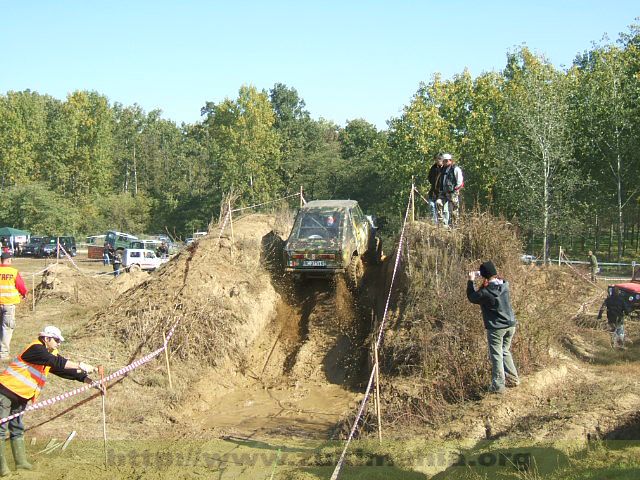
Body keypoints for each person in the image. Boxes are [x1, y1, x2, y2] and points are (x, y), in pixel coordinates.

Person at [0, 326, 97, 474]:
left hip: (22, 396)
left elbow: (62, 369)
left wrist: (86, 379)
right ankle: (2, 469)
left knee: (17, 429)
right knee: (1, 430)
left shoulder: (49, 353)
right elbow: (57, 362)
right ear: (47, 338)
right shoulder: (36, 349)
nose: (59, 343)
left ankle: (21, 463)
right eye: (57, 340)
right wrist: (80, 365)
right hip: (5, 392)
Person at [467, 261, 519, 394]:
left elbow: (472, 297)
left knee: (496, 355)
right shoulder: (504, 285)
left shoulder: (486, 292)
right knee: (505, 351)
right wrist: (483, 275)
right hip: (510, 325)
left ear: (484, 275)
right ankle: (513, 379)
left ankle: (498, 385)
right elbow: (493, 280)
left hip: (497, 328)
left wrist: (471, 280)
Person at [0, 252, 28, 361]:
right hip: (8, 304)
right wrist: (24, 293)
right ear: (8, 260)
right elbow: (21, 286)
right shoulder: (13, 272)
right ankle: (3, 354)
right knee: (6, 328)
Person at [437, 153, 464, 227]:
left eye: (446, 161)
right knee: (438, 203)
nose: (444, 162)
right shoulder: (443, 169)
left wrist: (455, 190)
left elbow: (460, 181)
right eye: (444, 161)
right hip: (444, 192)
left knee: (454, 210)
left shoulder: (455, 169)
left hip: (453, 192)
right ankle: (442, 224)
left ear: (450, 160)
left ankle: (454, 225)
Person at [427, 153, 444, 224]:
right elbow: (430, 178)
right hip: (433, 192)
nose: (438, 160)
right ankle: (434, 224)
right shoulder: (433, 168)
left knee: (442, 210)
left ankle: (443, 225)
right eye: (437, 159)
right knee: (431, 206)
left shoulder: (445, 169)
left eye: (439, 159)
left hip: (442, 193)